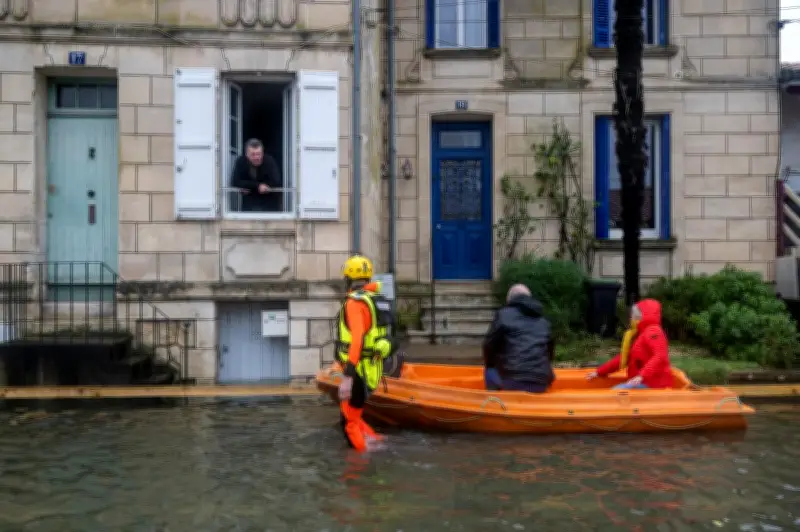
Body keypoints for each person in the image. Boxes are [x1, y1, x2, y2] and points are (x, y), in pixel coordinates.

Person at [335, 254, 397, 452]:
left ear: (348, 279)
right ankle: (376, 441)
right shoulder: (376, 300)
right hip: (372, 369)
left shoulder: (354, 304)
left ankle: (360, 466)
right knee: (351, 415)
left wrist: (348, 376)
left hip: (358, 371)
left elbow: (357, 340)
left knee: (349, 424)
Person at [482, 284, 555, 393]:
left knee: (490, 368)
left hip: (512, 380)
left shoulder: (503, 315)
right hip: (540, 381)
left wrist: (492, 363)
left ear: (509, 300)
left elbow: (489, 345)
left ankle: (495, 402)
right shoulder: (543, 321)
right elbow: (550, 352)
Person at [586, 298, 674, 389]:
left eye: (633, 315)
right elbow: (624, 358)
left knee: (616, 392)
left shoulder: (653, 331)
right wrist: (599, 372)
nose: (630, 318)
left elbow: (660, 356)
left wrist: (641, 376)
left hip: (654, 384)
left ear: (641, 315)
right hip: (643, 381)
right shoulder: (640, 334)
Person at [230, 138, 281, 212]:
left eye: (258, 154)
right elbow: (235, 182)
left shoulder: (270, 161)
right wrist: (258, 186)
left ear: (262, 153)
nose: (256, 157)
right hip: (248, 205)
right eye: (253, 154)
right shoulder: (240, 161)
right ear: (247, 154)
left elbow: (277, 182)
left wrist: (249, 186)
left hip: (269, 206)